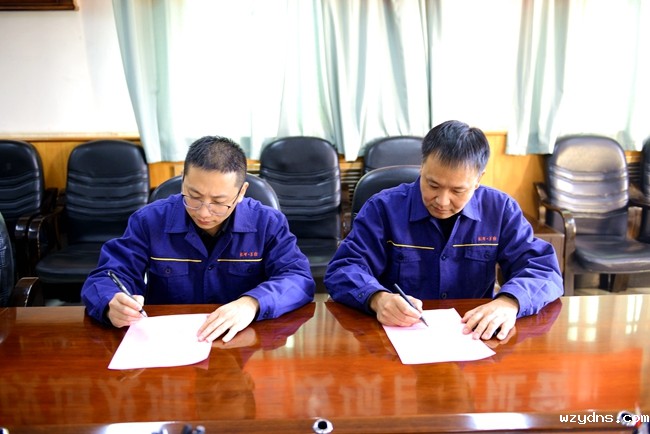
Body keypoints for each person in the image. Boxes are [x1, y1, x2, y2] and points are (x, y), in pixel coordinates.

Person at [325, 120, 563, 341]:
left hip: (471, 337)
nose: (442, 201)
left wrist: (510, 302)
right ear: (422, 167)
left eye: (457, 191)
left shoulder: (499, 209)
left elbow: (543, 270)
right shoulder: (383, 208)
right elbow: (343, 268)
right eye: (433, 185)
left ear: (478, 179)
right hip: (398, 338)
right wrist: (377, 298)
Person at [81, 136, 315, 342]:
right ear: (183, 179)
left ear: (241, 192)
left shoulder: (267, 223)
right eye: (194, 196)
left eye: (218, 202)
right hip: (167, 342)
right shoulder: (149, 220)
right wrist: (111, 302)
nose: (203, 212)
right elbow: (108, 275)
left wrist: (252, 303)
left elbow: (298, 278)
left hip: (241, 339)